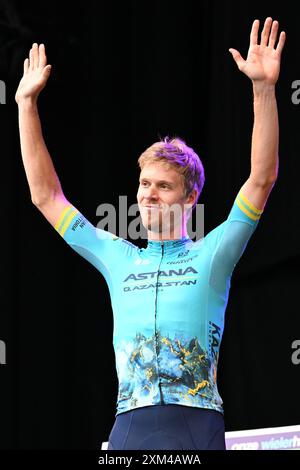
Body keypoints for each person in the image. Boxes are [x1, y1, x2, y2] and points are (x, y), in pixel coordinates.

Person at [15, 17, 285, 450]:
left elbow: (261, 178)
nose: (150, 195)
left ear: (190, 196)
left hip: (195, 425)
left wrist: (264, 89)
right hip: (128, 427)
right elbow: (46, 197)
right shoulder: (117, 257)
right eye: (144, 184)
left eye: (164, 186)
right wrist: (26, 105)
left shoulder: (213, 255)